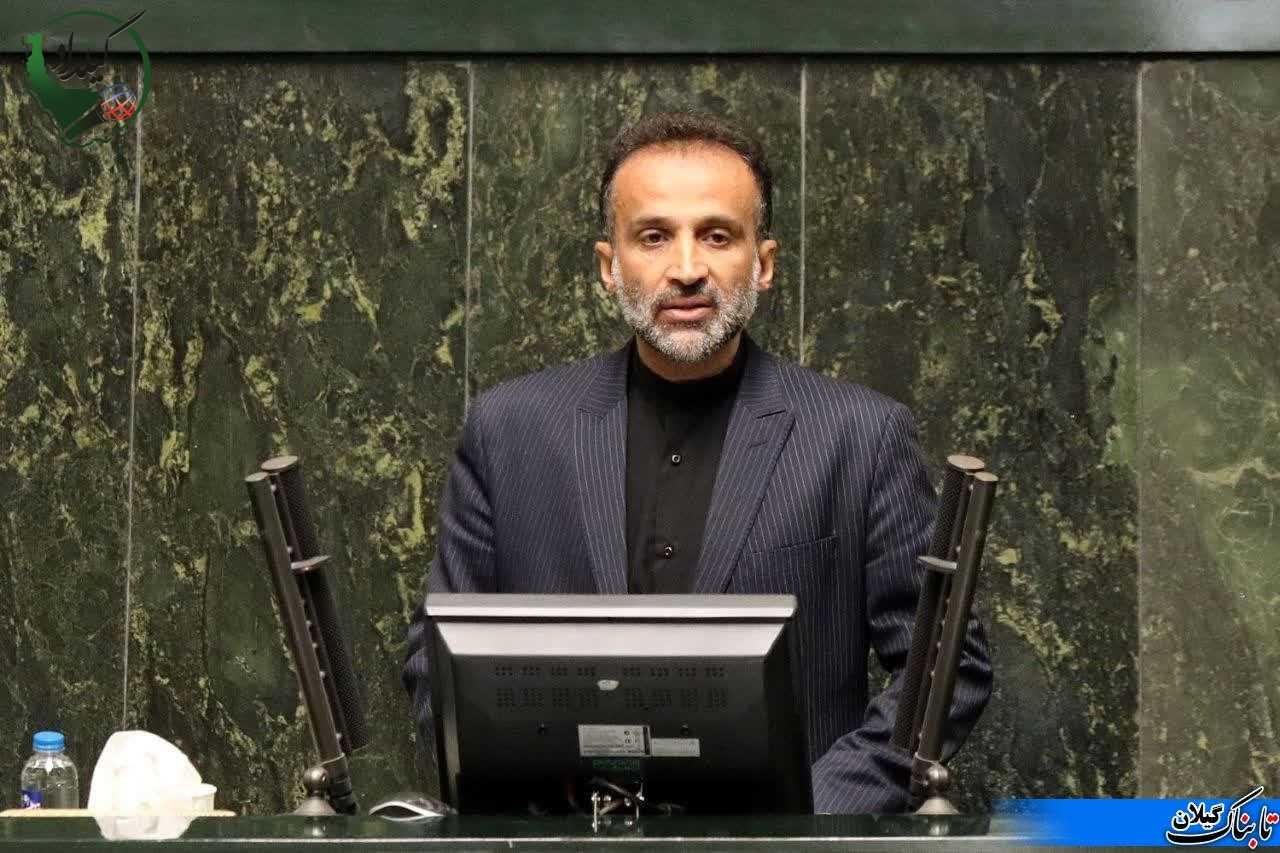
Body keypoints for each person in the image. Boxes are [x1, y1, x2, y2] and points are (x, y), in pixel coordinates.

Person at [403, 110, 992, 814]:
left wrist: (804, 819)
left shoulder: (861, 435)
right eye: (653, 237)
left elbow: (944, 669)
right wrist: (545, 809)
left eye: (717, 235)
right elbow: (437, 661)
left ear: (763, 264)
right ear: (609, 265)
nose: (686, 269)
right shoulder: (509, 430)